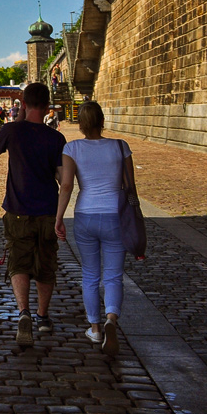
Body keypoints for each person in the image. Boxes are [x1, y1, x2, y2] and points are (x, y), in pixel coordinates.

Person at [55, 101, 134, 356]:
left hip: (86, 214)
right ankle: (112, 318)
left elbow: (66, 186)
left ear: (81, 123)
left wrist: (59, 217)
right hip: (115, 215)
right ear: (102, 120)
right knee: (113, 274)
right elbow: (129, 186)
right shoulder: (120, 147)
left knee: (90, 274)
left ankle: (95, 328)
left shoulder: (72, 148)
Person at [0, 82, 66, 348]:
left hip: (17, 209)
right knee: (46, 265)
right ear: (47, 106)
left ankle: (23, 311)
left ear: (24, 104)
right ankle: (43, 316)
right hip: (47, 209)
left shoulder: (12, 130)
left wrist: (20, 117)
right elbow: (62, 177)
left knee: (19, 262)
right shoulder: (56, 138)